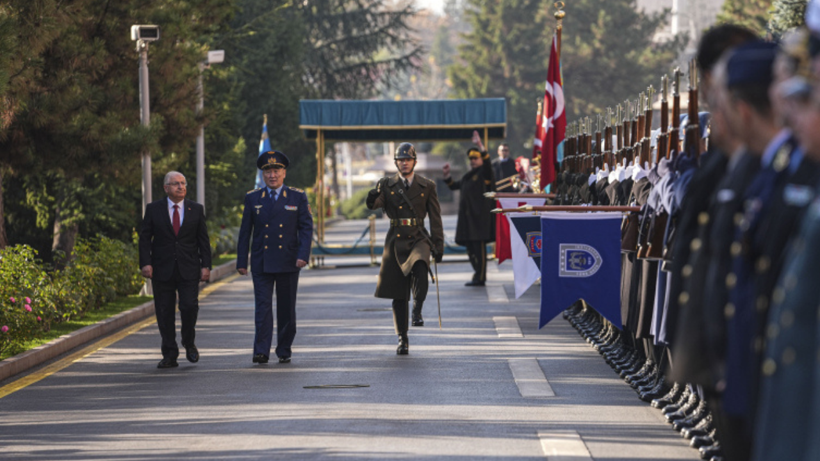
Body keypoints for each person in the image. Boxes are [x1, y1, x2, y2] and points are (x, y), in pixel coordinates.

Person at [366, 142, 443, 354]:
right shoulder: (387, 184)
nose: (404, 163)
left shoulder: (427, 186)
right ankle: (402, 338)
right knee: (398, 294)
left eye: (408, 159)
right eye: (401, 160)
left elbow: (435, 218)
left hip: (418, 236)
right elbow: (376, 204)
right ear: (396, 163)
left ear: (414, 162)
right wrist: (372, 197)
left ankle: (417, 309)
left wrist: (438, 244)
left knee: (420, 266)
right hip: (396, 238)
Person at [236, 150, 313, 364]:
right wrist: (242, 261)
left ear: (284, 173)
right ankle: (261, 350)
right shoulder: (253, 198)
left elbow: (306, 228)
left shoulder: (297, 196)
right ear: (263, 175)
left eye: (276, 171)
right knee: (262, 307)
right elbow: (245, 232)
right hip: (262, 261)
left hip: (288, 260)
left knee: (286, 308)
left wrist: (303, 255)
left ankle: (284, 348)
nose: (272, 175)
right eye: (268, 171)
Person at [139, 171, 212, 369]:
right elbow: (145, 238)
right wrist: (145, 263)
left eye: (183, 183)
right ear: (166, 188)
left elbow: (203, 240)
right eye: (175, 184)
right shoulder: (154, 209)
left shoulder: (195, 209)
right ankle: (169, 354)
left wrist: (206, 266)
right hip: (162, 269)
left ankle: (189, 342)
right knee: (164, 312)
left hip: (189, 268)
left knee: (189, 307)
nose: (180, 187)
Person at [443, 131, 496, 286]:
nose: (472, 161)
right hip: (468, 220)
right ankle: (476, 275)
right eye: (471, 159)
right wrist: (447, 176)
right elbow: (454, 186)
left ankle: (481, 277)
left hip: (479, 219)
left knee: (479, 250)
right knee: (471, 250)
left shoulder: (484, 173)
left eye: (475, 158)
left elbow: (488, 163)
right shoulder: (468, 176)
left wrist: (480, 145)